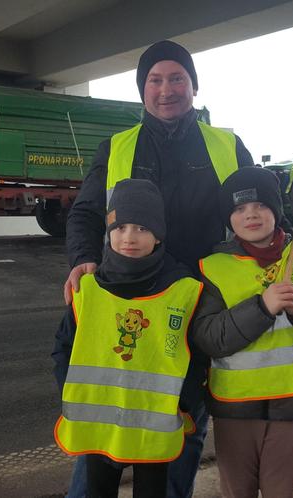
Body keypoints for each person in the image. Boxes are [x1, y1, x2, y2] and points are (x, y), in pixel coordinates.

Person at [61, 40, 254, 498]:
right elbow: (87, 213)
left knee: (179, 426)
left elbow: (258, 208)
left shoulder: (226, 145)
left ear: (193, 85)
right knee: (101, 434)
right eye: (155, 80)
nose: (166, 90)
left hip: (196, 307)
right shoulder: (118, 147)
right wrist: (82, 258)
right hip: (123, 302)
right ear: (142, 90)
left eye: (176, 78)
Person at [191, 167, 293, 498]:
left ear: (276, 210)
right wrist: (261, 308)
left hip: (291, 409)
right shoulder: (212, 267)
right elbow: (208, 337)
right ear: (229, 218)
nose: (250, 214)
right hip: (235, 410)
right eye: (238, 209)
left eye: (260, 206)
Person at [53, 179, 203, 498]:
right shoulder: (88, 289)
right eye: (119, 228)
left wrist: (186, 403)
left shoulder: (182, 289)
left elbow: (198, 354)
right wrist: (71, 393)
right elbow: (63, 348)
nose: (129, 238)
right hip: (99, 427)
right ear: (108, 233)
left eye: (141, 228)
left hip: (155, 429)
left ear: (158, 234)